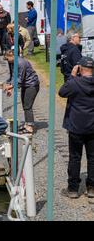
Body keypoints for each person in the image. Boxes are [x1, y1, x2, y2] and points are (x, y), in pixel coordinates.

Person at [58, 57, 94, 199]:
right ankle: (91, 188)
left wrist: (72, 76)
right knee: (92, 158)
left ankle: (73, 188)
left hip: (76, 126)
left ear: (80, 69)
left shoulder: (75, 83)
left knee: (75, 157)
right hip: (92, 126)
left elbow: (62, 92)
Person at [4, 50, 40, 134]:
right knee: (25, 105)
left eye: (7, 58)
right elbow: (13, 75)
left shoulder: (21, 63)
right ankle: (27, 124)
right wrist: (10, 86)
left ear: (11, 55)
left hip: (32, 85)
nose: (7, 60)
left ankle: (30, 127)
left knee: (28, 106)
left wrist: (11, 86)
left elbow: (20, 78)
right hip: (26, 85)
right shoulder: (13, 63)